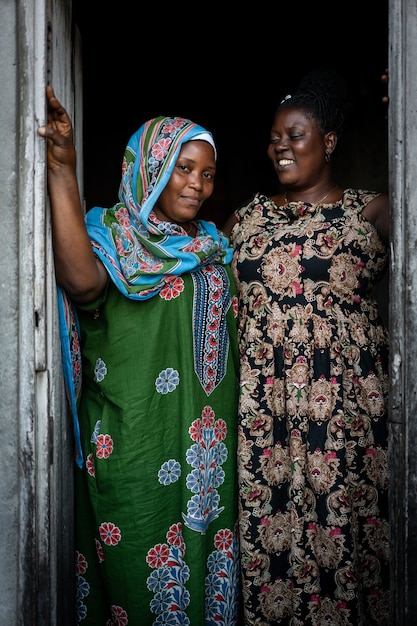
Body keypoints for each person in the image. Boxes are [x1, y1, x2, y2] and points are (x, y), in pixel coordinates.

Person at [38, 86, 241, 625]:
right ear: (150, 170)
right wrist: (63, 169)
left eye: (207, 173)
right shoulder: (113, 235)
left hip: (205, 465)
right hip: (134, 448)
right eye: (183, 168)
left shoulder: (211, 245)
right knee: (136, 579)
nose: (197, 185)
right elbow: (82, 285)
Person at [223, 69, 390, 625]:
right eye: (275, 137)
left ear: (329, 143)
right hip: (261, 417)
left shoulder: (373, 212)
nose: (281, 147)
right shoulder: (245, 219)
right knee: (266, 546)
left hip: (343, 417)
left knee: (341, 540)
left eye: (295, 135)